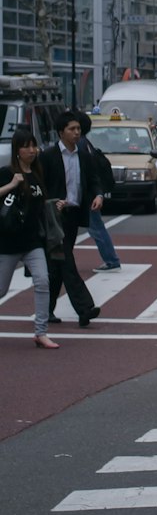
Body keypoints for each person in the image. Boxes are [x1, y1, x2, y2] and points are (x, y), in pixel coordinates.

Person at [40, 112, 101, 328]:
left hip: (74, 215)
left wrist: (98, 195)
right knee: (66, 260)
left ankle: (45, 309)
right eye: (72, 129)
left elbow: (93, 180)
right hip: (54, 217)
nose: (77, 133)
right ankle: (85, 308)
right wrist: (51, 202)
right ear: (60, 132)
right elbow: (40, 186)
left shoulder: (84, 155)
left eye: (78, 129)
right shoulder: (48, 156)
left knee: (58, 264)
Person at [0, 128, 58, 348]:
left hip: (33, 241)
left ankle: (40, 332)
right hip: (8, 242)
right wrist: (12, 185)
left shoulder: (37, 173)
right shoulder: (6, 173)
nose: (32, 150)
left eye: (34, 146)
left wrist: (54, 205)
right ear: (17, 150)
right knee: (1, 290)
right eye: (27, 146)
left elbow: (39, 203)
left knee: (43, 280)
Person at [74, 113, 120, 270]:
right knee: (96, 227)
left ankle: (112, 260)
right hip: (89, 194)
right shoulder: (85, 143)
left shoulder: (79, 145)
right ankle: (112, 260)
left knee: (96, 228)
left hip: (85, 194)